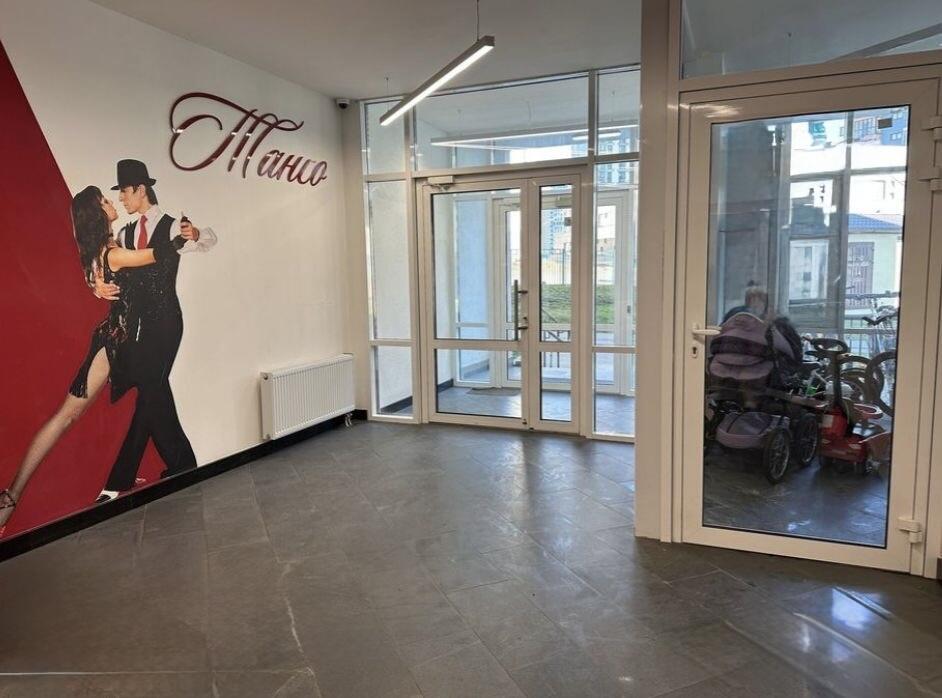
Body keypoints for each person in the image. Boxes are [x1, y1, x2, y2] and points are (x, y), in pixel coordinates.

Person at [0, 186, 188, 533]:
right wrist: (181, 237)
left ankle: (10, 498)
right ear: (97, 213)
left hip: (113, 339)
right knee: (92, 410)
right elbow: (154, 255)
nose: (112, 202)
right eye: (105, 201)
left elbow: (103, 279)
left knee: (69, 415)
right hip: (122, 343)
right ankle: (11, 500)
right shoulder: (113, 253)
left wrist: (97, 285)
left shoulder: (99, 251)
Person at [93, 159, 217, 503]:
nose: (122, 199)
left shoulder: (173, 224)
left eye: (124, 192)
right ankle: (183, 464)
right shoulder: (124, 234)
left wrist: (195, 234)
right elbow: (108, 268)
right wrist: (99, 286)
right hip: (138, 326)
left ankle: (119, 479)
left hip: (167, 322)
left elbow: (208, 240)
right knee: (154, 390)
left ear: (140, 189)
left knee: (150, 389)